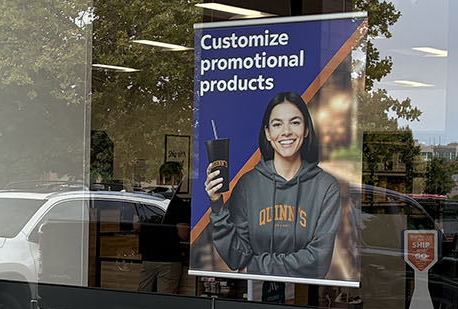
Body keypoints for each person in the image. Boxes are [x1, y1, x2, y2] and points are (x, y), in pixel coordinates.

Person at [206, 91, 341, 281]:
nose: (286, 131)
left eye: (295, 122)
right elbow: (237, 257)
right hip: (253, 294)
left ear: (306, 130)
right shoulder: (248, 185)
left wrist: (254, 267)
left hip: (307, 297)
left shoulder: (326, 187)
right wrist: (217, 204)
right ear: (268, 133)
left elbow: (318, 260)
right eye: (277, 124)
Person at [137, 161, 192, 292]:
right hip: (169, 258)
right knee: (165, 299)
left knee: (142, 297)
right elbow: (183, 234)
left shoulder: (146, 198)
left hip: (148, 256)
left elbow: (136, 226)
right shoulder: (178, 203)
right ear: (177, 179)